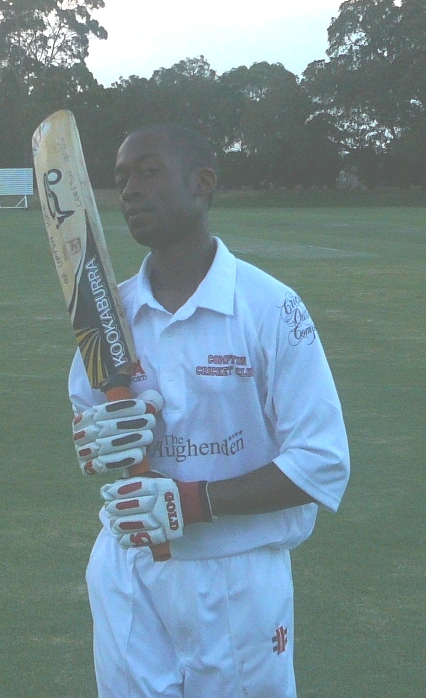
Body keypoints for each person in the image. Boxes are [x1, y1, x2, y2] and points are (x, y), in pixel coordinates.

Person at [68, 123, 350, 698]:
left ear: (202, 185)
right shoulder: (110, 311)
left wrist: (191, 503)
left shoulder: (270, 307)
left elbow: (322, 462)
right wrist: (103, 442)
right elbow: (91, 431)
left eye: (150, 173)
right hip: (129, 569)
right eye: (121, 179)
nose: (129, 192)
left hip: (236, 574)